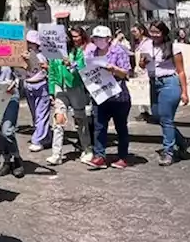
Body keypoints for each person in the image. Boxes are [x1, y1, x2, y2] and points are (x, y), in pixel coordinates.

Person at [83, 25, 132, 169]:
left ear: (108, 39)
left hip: (118, 95)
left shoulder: (119, 51)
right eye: (95, 38)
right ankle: (100, 156)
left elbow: (126, 73)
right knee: (99, 126)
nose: (97, 41)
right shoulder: (92, 52)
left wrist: (114, 69)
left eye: (100, 38)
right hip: (100, 95)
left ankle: (123, 156)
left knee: (121, 127)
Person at [46, 26, 92, 165]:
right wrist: (51, 91)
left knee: (80, 120)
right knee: (58, 121)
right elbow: (52, 73)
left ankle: (87, 149)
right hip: (60, 90)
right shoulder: (54, 55)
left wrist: (70, 64)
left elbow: (82, 68)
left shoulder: (77, 52)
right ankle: (56, 154)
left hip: (75, 88)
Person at [147, 21, 190, 166]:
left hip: (169, 83)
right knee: (157, 115)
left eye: (157, 32)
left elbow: (181, 70)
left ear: (164, 33)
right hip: (154, 82)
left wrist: (184, 91)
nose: (154, 35)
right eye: (152, 31)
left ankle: (168, 152)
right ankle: (182, 141)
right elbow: (143, 65)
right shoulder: (148, 46)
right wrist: (142, 62)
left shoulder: (173, 47)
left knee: (166, 119)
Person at [22, 30, 53, 154]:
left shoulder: (42, 55)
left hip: (41, 86)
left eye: (32, 43)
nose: (29, 45)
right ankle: (46, 137)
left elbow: (45, 68)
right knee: (36, 114)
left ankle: (37, 140)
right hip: (29, 85)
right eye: (28, 42)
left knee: (41, 114)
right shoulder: (24, 54)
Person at [131, 23, 155, 122]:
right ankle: (143, 112)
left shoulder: (148, 42)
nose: (133, 34)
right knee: (140, 92)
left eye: (135, 31)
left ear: (141, 31)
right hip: (139, 70)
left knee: (147, 92)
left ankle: (152, 112)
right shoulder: (137, 43)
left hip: (146, 70)